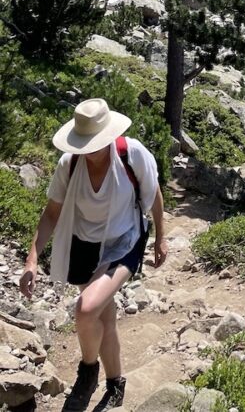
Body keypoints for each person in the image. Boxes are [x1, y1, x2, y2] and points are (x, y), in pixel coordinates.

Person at [19, 98, 169, 411]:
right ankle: (116, 383)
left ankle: (87, 373)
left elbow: (153, 191)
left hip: (125, 240)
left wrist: (160, 237)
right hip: (85, 243)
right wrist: (32, 259)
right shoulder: (69, 164)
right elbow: (51, 214)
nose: (89, 150)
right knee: (103, 317)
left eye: (95, 143)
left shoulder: (131, 153)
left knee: (86, 310)